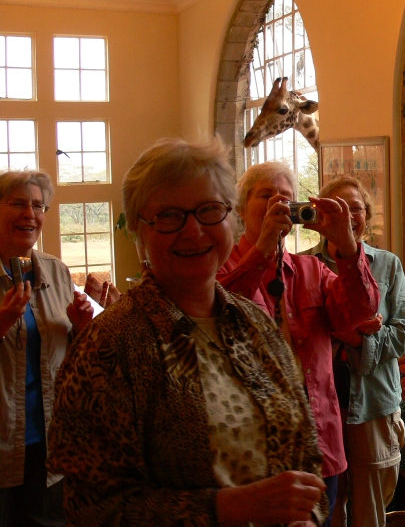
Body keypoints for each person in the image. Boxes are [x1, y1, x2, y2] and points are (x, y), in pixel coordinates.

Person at [48, 138, 328, 526]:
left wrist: (307, 513)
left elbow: (305, 454)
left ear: (230, 217)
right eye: (169, 216)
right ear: (139, 229)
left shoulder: (255, 325)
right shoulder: (109, 346)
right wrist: (227, 508)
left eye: (209, 210)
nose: (193, 231)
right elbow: (91, 508)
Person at [217, 162, 380, 526]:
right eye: (266, 196)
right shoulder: (220, 268)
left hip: (318, 447)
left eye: (287, 199)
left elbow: (359, 310)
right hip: (251, 454)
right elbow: (220, 318)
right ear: (241, 208)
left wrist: (347, 245)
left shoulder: (311, 270)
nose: (278, 204)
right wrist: (262, 249)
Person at [302, 176, 405, 527]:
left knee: (371, 506)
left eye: (356, 208)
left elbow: (404, 332)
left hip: (373, 402)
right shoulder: (303, 266)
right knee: (328, 503)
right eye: (337, 208)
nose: (348, 217)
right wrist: (342, 332)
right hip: (318, 407)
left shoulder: (388, 264)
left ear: (367, 214)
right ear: (320, 215)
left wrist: (358, 341)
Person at [0, 170, 94, 527]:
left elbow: (77, 357)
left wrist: (81, 326)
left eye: (38, 206)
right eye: (18, 204)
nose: (30, 214)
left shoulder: (56, 272)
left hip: (49, 446)